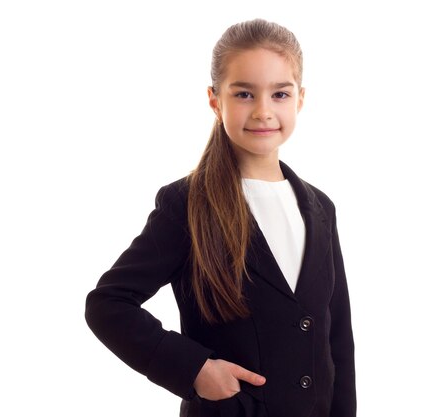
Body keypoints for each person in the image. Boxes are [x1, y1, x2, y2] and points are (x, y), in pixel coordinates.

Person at [85, 18, 356, 417]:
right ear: (215, 100)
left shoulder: (320, 208)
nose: (263, 111)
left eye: (279, 94)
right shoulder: (187, 203)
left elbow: (337, 339)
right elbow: (108, 305)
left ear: (299, 99)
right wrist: (194, 369)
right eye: (244, 93)